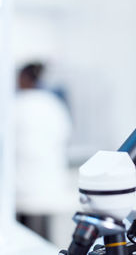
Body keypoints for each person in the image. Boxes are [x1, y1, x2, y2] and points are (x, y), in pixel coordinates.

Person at [15, 63, 72, 239]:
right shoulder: (53, 104)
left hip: (23, 186)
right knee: (42, 237)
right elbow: (65, 134)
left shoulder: (16, 104)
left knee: (24, 238)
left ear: (24, 78)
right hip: (47, 182)